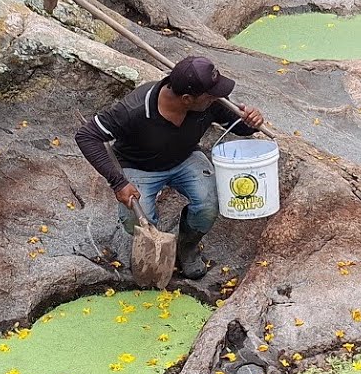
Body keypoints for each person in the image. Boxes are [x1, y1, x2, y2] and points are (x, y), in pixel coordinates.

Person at [75, 56, 265, 279]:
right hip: (138, 165)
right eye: (211, 94)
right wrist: (119, 182)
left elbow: (239, 126)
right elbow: (87, 135)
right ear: (187, 99)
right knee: (135, 219)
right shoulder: (135, 109)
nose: (218, 97)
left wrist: (251, 121)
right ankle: (150, 246)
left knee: (209, 202)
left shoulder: (210, 102)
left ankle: (187, 247)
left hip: (184, 158)